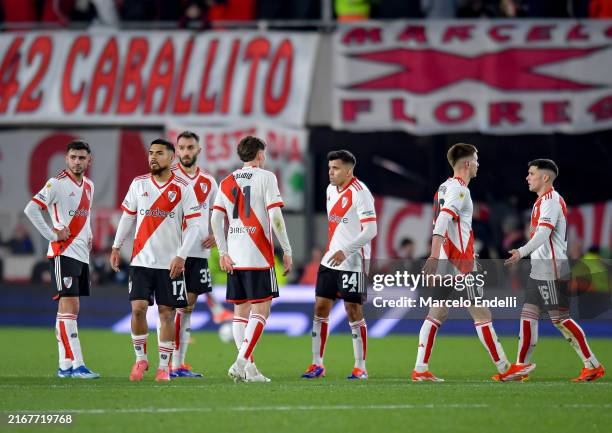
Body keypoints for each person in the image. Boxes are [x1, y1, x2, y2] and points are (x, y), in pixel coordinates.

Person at [413, 143, 519, 382]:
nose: (479, 165)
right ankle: (504, 368)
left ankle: (420, 369)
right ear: (467, 164)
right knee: (481, 313)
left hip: (448, 260)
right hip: (458, 263)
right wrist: (434, 253)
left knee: (437, 313)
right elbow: (443, 220)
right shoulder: (460, 190)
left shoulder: (442, 188)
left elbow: (452, 227)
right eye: (477, 160)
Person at [503, 159, 605, 382]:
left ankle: (593, 364)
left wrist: (521, 252)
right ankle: (521, 367)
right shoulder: (541, 202)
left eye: (531, 173)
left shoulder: (551, 201)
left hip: (551, 268)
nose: (527, 177)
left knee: (560, 319)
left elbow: (542, 235)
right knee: (528, 317)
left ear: (545, 177)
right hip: (539, 269)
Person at [109, 138, 201, 382]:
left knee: (167, 314)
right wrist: (116, 246)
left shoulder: (183, 187)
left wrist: (182, 255)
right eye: (150, 153)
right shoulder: (139, 184)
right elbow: (127, 217)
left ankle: (163, 366)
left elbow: (195, 226)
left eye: (159, 153)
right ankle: (140, 359)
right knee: (138, 309)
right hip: (141, 261)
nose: (152, 157)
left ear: (171, 157)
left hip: (169, 264)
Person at [210, 136, 292, 382]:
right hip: (258, 254)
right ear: (259, 155)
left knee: (240, 312)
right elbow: (275, 217)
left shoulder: (226, 181)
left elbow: (215, 220)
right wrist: (286, 249)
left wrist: (223, 252)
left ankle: (250, 371)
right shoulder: (267, 177)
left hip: (234, 255)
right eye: (263, 154)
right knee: (261, 311)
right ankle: (240, 362)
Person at [24, 140, 99, 379]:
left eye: (82, 158)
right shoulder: (55, 183)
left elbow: (84, 217)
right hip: (62, 252)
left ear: (89, 161)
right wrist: (52, 234)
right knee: (70, 306)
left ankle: (64, 365)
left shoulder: (89, 185)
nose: (77, 161)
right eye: (73, 157)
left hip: (80, 254)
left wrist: (89, 236)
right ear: (66, 159)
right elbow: (31, 209)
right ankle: (77, 364)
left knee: (67, 310)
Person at [301, 150, 377, 380]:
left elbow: (371, 230)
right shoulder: (330, 190)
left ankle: (360, 367)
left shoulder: (361, 193)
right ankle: (316, 364)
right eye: (329, 168)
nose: (330, 172)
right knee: (320, 309)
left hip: (353, 262)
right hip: (330, 259)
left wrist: (347, 251)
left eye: (335, 168)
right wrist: (336, 250)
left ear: (348, 170)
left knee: (353, 311)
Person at [167, 130, 232, 379]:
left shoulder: (208, 181)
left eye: (190, 147)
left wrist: (217, 234)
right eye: (181, 148)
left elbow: (219, 212)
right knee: (171, 308)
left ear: (198, 150)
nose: (185, 152)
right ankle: (168, 363)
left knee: (187, 307)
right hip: (174, 252)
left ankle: (179, 364)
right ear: (177, 151)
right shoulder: (170, 178)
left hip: (200, 253)